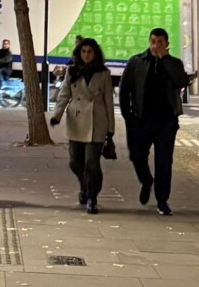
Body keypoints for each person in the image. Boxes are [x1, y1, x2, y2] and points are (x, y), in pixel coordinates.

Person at [120, 28, 189, 215]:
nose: (155, 45)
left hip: (166, 121)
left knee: (164, 161)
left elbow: (181, 81)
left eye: (160, 42)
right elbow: (124, 89)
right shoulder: (136, 62)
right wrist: (128, 115)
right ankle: (146, 181)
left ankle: (162, 200)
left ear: (166, 43)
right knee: (136, 155)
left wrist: (165, 58)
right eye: (153, 41)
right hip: (141, 119)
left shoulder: (174, 63)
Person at [49, 38, 115, 214]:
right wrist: (56, 115)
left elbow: (109, 101)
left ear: (95, 54)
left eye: (90, 52)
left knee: (91, 163)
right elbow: (64, 94)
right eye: (83, 51)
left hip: (97, 122)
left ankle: (92, 197)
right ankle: (85, 186)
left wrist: (111, 130)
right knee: (75, 162)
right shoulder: (72, 71)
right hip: (76, 120)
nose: (86, 55)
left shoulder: (103, 73)